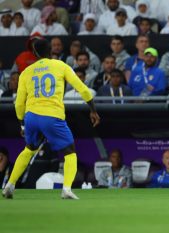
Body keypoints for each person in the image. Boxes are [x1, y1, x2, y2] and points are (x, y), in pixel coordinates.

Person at [2, 38, 100, 200]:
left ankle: (9, 186)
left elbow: (19, 102)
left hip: (31, 117)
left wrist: (22, 123)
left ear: (34, 53)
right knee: (70, 152)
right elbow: (81, 88)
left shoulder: (27, 71)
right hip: (52, 115)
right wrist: (92, 109)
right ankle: (66, 189)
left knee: (29, 149)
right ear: (51, 51)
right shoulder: (60, 66)